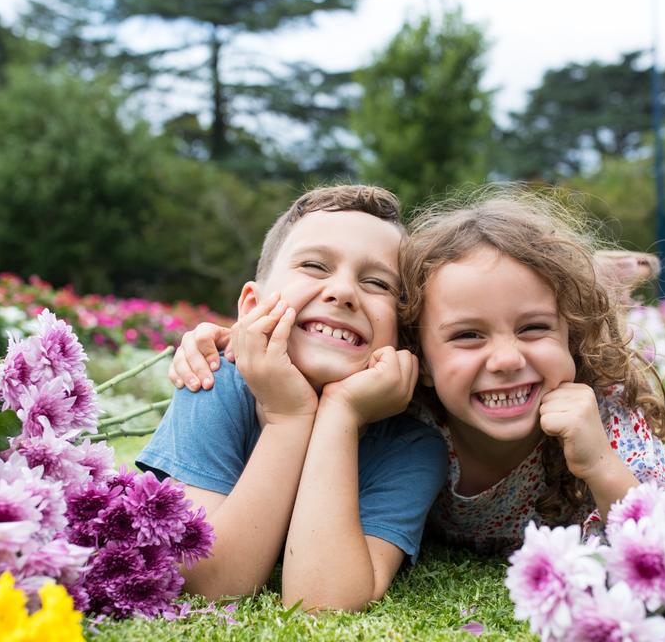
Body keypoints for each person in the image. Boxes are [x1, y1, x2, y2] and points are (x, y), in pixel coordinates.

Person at [171, 188, 665, 556]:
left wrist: (599, 465)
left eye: (533, 329)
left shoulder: (602, 415)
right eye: (467, 335)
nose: (505, 360)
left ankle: (604, 278)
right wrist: (230, 337)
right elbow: (334, 348)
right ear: (420, 353)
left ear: (572, 335)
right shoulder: (408, 409)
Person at [135, 185, 448, 611]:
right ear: (251, 306)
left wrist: (341, 414)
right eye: (315, 266)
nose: (343, 292)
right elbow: (209, 584)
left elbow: (324, 603)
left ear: (405, 332)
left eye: (377, 283)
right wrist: (289, 416)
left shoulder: (412, 446)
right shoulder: (214, 382)